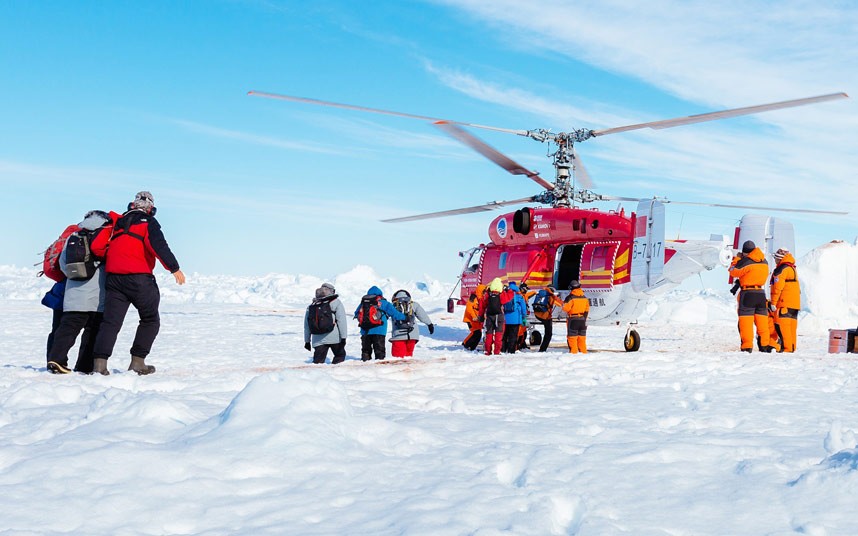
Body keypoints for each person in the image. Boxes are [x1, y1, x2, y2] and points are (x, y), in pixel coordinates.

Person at [89, 191, 186, 375]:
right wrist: (174, 268)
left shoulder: (116, 223)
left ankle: (99, 366)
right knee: (150, 319)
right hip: (139, 278)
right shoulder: (148, 222)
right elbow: (159, 246)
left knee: (110, 322)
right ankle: (138, 363)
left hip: (114, 279)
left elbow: (97, 247)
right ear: (150, 208)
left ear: (132, 205)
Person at [46, 211, 111, 374]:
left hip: (73, 294)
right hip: (96, 296)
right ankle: (84, 366)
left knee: (67, 329)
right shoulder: (103, 237)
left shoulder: (73, 236)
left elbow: (63, 264)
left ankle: (56, 359)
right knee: (92, 331)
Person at [728, 240, 771, 353]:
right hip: (761, 294)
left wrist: (736, 259)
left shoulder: (746, 261)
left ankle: (747, 346)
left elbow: (733, 272)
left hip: (748, 294)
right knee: (762, 321)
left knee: (746, 322)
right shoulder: (764, 261)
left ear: (745, 252)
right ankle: (764, 345)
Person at [353, 286, 405, 361]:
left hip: (365, 331)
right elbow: (395, 314)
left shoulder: (363, 302)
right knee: (379, 352)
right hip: (379, 330)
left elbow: (356, 313)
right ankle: (379, 370)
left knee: (365, 351)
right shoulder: (383, 303)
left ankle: (365, 368)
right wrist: (405, 317)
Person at [304, 283, 348, 364]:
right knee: (340, 356)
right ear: (331, 291)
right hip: (334, 337)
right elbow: (342, 321)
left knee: (318, 363)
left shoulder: (312, 305)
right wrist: (343, 337)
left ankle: (319, 376)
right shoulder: (336, 302)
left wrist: (307, 341)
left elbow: (307, 325)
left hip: (317, 339)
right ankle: (336, 373)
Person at [769, 248, 800, 352]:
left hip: (783, 304)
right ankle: (791, 348)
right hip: (794, 305)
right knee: (792, 329)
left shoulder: (781, 270)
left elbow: (777, 288)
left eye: (776, 258)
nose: (775, 260)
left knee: (782, 328)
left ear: (779, 259)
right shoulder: (792, 269)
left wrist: (773, 303)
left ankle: (786, 350)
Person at [389, 289, 434, 358]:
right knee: (408, 357)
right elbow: (422, 315)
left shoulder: (392, 306)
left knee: (398, 360)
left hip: (398, 335)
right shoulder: (413, 304)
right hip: (412, 335)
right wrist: (429, 324)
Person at [478, 277, 511, 356]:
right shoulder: (501, 295)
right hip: (499, 316)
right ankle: (497, 352)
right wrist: (508, 289)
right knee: (498, 335)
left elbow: (482, 306)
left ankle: (487, 351)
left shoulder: (487, 295)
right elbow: (510, 296)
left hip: (489, 316)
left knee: (489, 334)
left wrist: (480, 316)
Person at [532, 285, 564, 352]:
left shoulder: (540, 294)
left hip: (537, 314)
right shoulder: (551, 296)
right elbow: (560, 304)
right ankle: (542, 349)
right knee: (548, 334)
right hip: (545, 316)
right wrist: (556, 298)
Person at [562, 280, 590, 354]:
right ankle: (584, 354)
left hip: (573, 320)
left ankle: (573, 354)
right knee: (582, 339)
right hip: (582, 320)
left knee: (572, 338)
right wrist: (584, 318)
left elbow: (565, 308)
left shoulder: (570, 298)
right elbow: (587, 310)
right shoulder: (585, 298)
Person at [501, 281, 527, 353]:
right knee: (513, 336)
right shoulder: (519, 296)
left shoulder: (505, 295)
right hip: (516, 319)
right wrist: (524, 317)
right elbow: (523, 308)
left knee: (504, 335)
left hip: (505, 319)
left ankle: (503, 350)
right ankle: (511, 351)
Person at [462, 284, 485, 351]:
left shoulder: (481, 299)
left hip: (476, 320)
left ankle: (472, 347)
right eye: (483, 291)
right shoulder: (473, 297)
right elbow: (469, 308)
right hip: (470, 319)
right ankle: (466, 344)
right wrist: (474, 316)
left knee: (478, 334)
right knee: (476, 333)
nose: (484, 293)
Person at [516, 282, 536, 350]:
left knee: (524, 331)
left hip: (523, 316)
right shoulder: (519, 296)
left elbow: (532, 293)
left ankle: (522, 344)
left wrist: (536, 292)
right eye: (525, 288)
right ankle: (518, 345)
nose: (526, 290)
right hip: (520, 316)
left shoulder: (525, 296)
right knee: (520, 332)